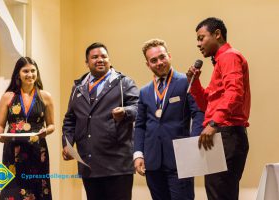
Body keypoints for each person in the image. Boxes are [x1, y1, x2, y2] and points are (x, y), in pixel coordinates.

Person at [62, 42, 139, 200]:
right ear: (87, 63)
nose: (100, 59)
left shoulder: (124, 83)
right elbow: (70, 119)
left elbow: (139, 108)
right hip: (89, 164)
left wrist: (125, 112)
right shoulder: (78, 87)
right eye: (95, 57)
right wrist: (67, 143)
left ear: (109, 59)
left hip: (117, 164)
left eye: (103, 56)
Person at [187, 17, 250, 200]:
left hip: (226, 133)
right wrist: (195, 82)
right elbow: (207, 104)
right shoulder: (221, 61)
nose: (198, 44)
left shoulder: (229, 56)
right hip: (222, 132)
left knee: (219, 193)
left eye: (201, 38)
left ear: (217, 34)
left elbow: (235, 92)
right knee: (218, 193)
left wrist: (214, 123)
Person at [134, 38, 204, 200]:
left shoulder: (186, 82)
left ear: (169, 56)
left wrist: (193, 145)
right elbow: (140, 126)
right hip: (152, 162)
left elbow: (199, 113)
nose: (159, 62)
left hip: (180, 160)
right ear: (148, 64)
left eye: (162, 57)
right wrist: (138, 154)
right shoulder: (144, 91)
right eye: (153, 60)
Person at [0, 57, 55, 200]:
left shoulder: (45, 96)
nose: (30, 74)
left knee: (38, 189)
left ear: (37, 73)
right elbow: (0, 125)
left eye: (33, 71)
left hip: (37, 150)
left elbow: (52, 125)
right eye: (25, 71)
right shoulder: (8, 96)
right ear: (18, 74)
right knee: (11, 190)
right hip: (12, 150)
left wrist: (45, 131)